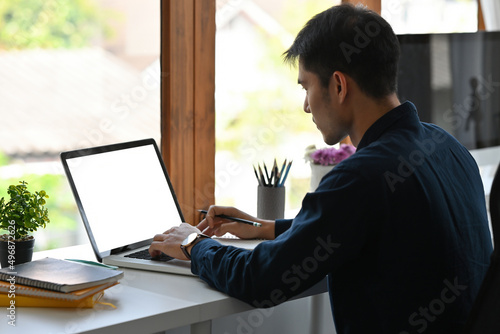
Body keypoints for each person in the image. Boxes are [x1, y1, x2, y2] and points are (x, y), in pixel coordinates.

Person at [149, 4, 493, 333]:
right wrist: (267, 228)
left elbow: (261, 281)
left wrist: (193, 243)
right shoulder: (448, 147)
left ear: (339, 86)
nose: (305, 105)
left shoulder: (362, 176)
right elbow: (361, 226)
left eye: (306, 86)